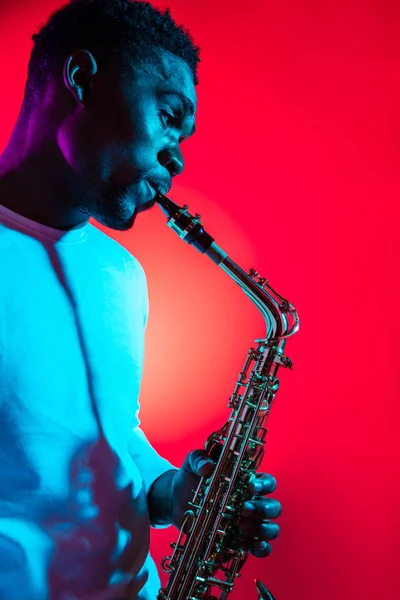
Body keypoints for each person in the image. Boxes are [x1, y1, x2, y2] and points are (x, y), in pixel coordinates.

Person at [0, 1, 282, 598]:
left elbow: (113, 433)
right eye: (167, 115)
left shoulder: (120, 273)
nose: (176, 157)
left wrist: (177, 493)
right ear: (80, 79)